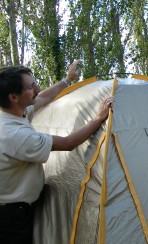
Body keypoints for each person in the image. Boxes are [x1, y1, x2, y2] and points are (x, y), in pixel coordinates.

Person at [0, 61, 114, 244]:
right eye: (31, 87)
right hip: (11, 216)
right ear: (14, 97)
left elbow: (43, 98)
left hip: (16, 209)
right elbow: (69, 143)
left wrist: (67, 80)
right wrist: (99, 118)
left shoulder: (11, 114)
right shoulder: (14, 135)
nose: (37, 88)